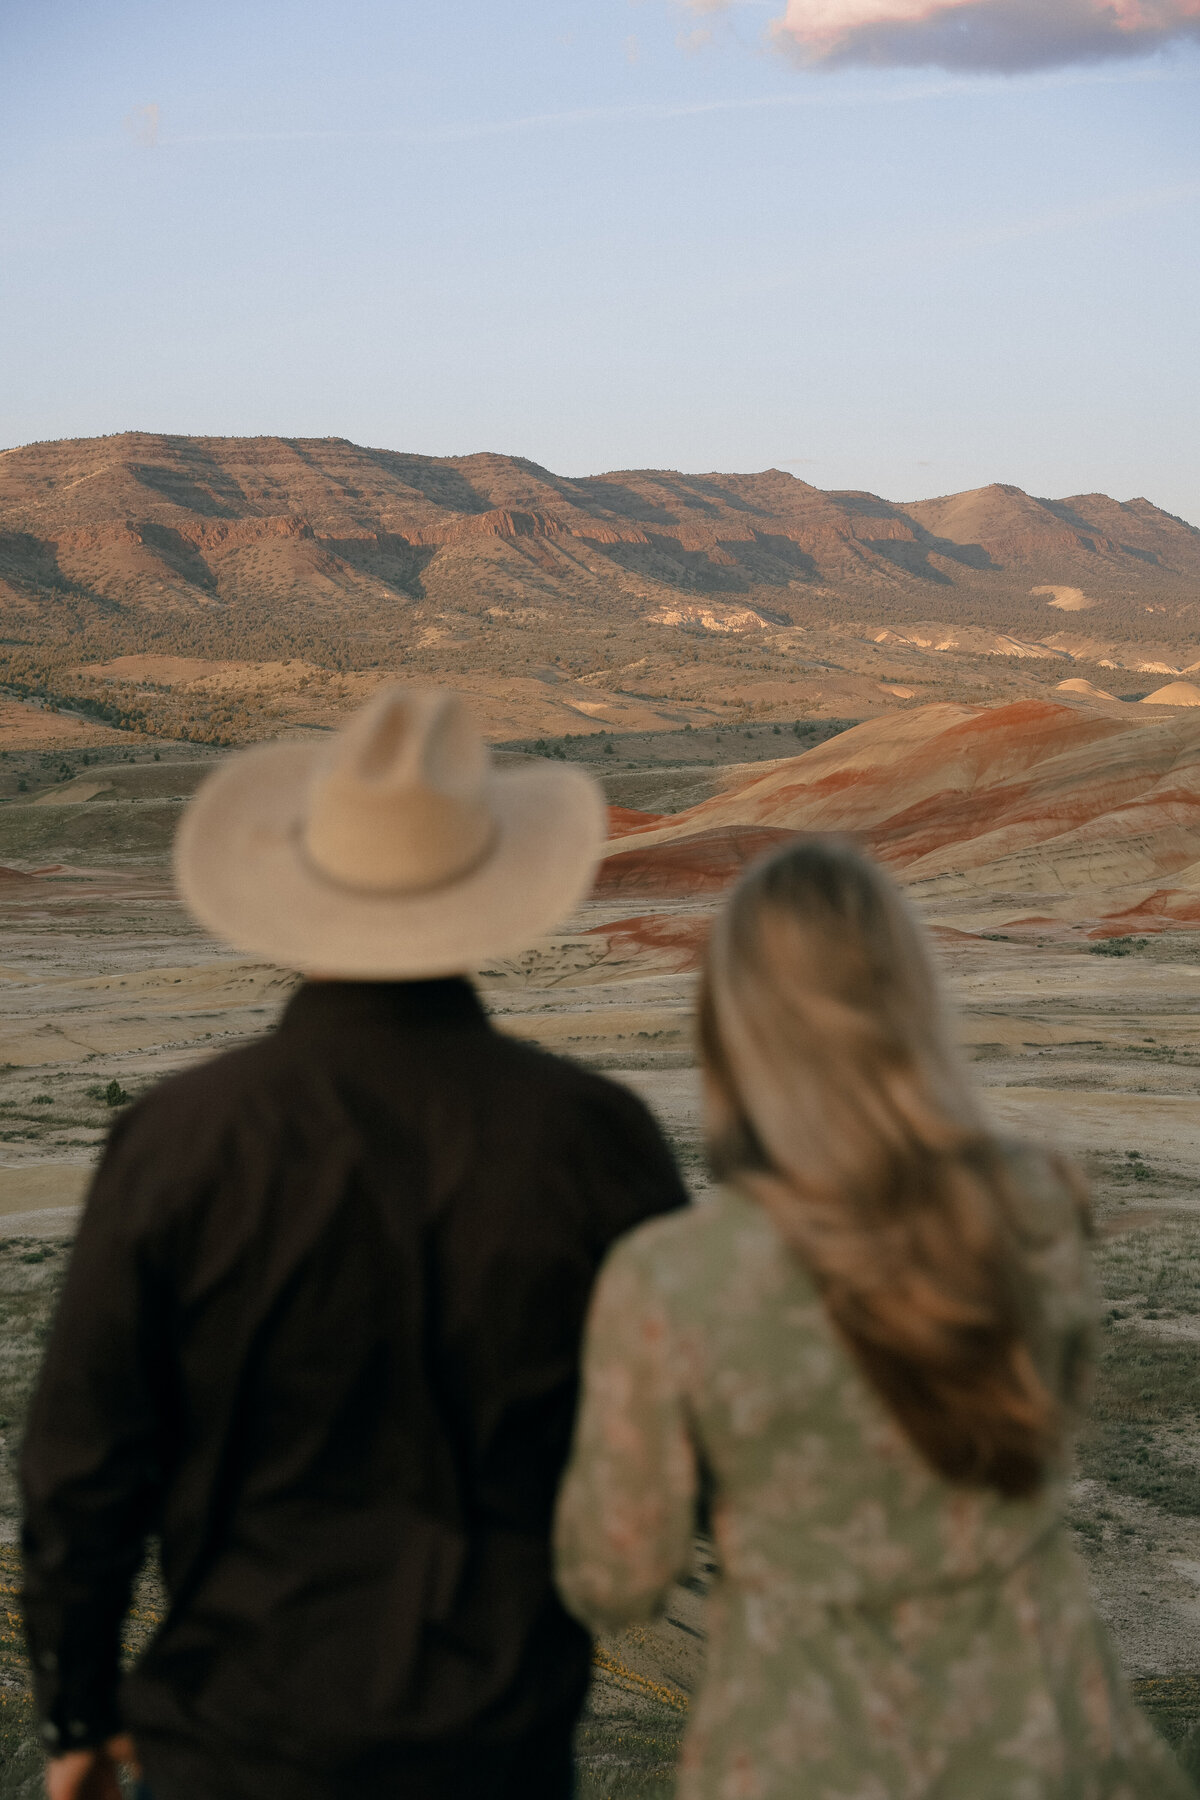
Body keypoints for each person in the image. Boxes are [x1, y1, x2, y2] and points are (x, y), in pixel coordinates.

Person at [21, 685, 689, 1800]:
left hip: (231, 1732)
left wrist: (79, 1715)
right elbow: (678, 1432)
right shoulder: (592, 1135)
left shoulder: (179, 1137)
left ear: (303, 889)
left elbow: (82, 1463)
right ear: (491, 888)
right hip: (498, 1730)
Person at [554, 835, 1194, 1799]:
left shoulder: (674, 1276)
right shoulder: (1032, 1210)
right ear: (910, 1004)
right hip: (1039, 1732)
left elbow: (616, 1573)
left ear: (735, 1028)